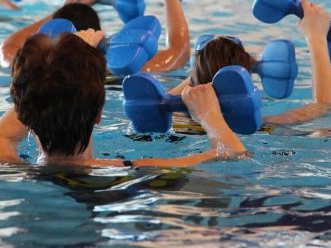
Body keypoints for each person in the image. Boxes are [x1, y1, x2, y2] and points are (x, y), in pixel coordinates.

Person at [0, 29, 247, 167]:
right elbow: (234, 155)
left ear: (22, 113)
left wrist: (67, 59)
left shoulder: (9, 166)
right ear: (99, 114)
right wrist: (208, 115)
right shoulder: (134, 171)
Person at [0, 0, 190, 72]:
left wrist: (60, 12)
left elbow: (7, 48)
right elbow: (179, 52)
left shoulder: (33, 69)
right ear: (97, 37)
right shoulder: (117, 69)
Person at [170, 0, 331, 125]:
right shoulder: (260, 127)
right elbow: (324, 105)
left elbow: (168, 97)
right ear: (244, 81)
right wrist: (317, 39)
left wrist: (204, 63)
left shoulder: (172, 117)